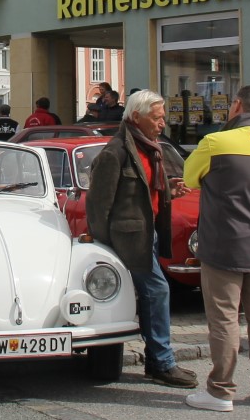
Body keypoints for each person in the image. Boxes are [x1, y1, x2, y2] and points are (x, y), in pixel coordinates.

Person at [84, 90, 198, 390]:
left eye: (163, 117)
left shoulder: (150, 147)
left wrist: (169, 190)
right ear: (137, 117)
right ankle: (162, 362)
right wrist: (105, 248)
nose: (163, 124)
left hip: (147, 233)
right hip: (128, 239)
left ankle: (157, 360)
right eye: (157, 118)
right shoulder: (117, 151)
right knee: (158, 291)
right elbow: (98, 206)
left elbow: (143, 193)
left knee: (153, 294)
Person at [181, 85, 250, 411]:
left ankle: (220, 390)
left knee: (225, 318)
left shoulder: (216, 142)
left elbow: (190, 178)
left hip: (223, 243)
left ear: (236, 105)